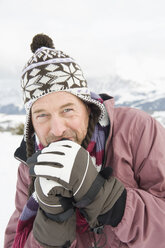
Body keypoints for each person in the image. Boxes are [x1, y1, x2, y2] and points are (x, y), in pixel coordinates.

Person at [4, 34, 165, 248]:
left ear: (88, 108)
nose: (57, 129)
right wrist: (51, 225)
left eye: (68, 110)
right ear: (31, 122)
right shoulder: (30, 168)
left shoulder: (137, 130)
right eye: (42, 115)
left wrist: (106, 198)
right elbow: (14, 242)